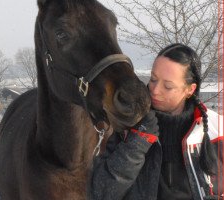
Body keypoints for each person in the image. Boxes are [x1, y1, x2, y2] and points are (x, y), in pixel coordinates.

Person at [89, 43, 223, 200]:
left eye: (168, 86)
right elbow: (100, 192)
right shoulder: (125, 125)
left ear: (190, 89)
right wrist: (137, 143)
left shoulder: (217, 130)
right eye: (153, 79)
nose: (155, 90)